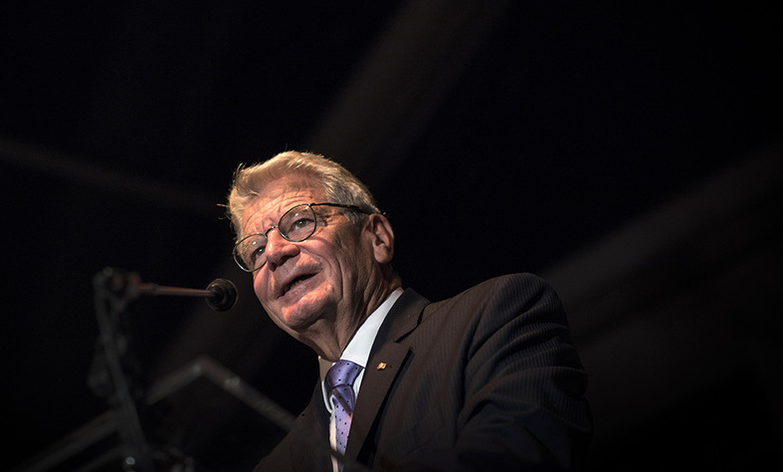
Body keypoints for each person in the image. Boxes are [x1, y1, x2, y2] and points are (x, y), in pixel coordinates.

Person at [225, 150, 592, 471]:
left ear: (378, 237)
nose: (274, 253)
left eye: (300, 222)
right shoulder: (280, 462)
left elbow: (517, 454)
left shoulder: (495, 315)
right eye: (255, 251)